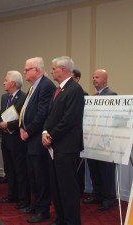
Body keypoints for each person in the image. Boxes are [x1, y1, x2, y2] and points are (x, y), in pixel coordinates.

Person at [42, 56, 85, 225]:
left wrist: (51, 136)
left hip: (66, 147)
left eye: (53, 68)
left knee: (68, 188)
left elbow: (70, 119)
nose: (51, 71)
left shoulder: (75, 89)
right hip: (54, 147)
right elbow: (50, 115)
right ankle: (61, 219)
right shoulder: (58, 89)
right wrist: (45, 131)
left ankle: (72, 221)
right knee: (57, 187)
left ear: (64, 69)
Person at [19, 58, 56, 223]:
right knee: (32, 175)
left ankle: (43, 210)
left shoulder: (46, 86)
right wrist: (21, 126)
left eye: (27, 69)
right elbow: (25, 109)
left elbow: (42, 113)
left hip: (37, 138)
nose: (24, 72)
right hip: (29, 138)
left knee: (41, 176)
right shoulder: (33, 87)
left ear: (37, 70)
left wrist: (28, 131)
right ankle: (36, 205)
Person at [82, 69, 117, 211]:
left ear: (105, 80)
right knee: (94, 169)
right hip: (92, 141)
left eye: (97, 77)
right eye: (93, 77)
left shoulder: (112, 95)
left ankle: (109, 198)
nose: (94, 79)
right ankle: (97, 194)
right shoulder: (92, 97)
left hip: (105, 143)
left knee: (106, 171)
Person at [0, 71, 29, 210]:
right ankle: (12, 195)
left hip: (17, 141)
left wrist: (8, 125)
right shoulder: (4, 97)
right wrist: (0, 124)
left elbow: (24, 119)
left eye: (5, 80)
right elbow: (1, 116)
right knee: (9, 170)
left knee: (20, 172)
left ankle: (23, 199)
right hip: (5, 139)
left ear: (13, 83)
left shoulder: (24, 97)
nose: (3, 82)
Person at [72, 69, 88, 197]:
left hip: (78, 136)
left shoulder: (84, 94)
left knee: (78, 166)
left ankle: (80, 189)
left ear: (77, 78)